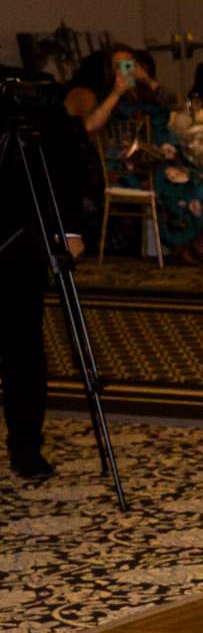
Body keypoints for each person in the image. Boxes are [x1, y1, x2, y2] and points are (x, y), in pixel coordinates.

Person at [1, 70, 88, 480]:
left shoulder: (26, 95)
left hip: (16, 239)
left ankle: (25, 445)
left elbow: (66, 159)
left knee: (22, 346)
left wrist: (68, 229)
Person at [80, 46, 203, 262]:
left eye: (130, 64)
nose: (126, 70)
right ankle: (186, 245)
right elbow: (90, 125)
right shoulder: (107, 97)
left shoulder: (149, 94)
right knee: (178, 181)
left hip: (165, 158)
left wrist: (148, 80)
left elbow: (178, 107)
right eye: (119, 66)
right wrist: (117, 92)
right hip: (131, 165)